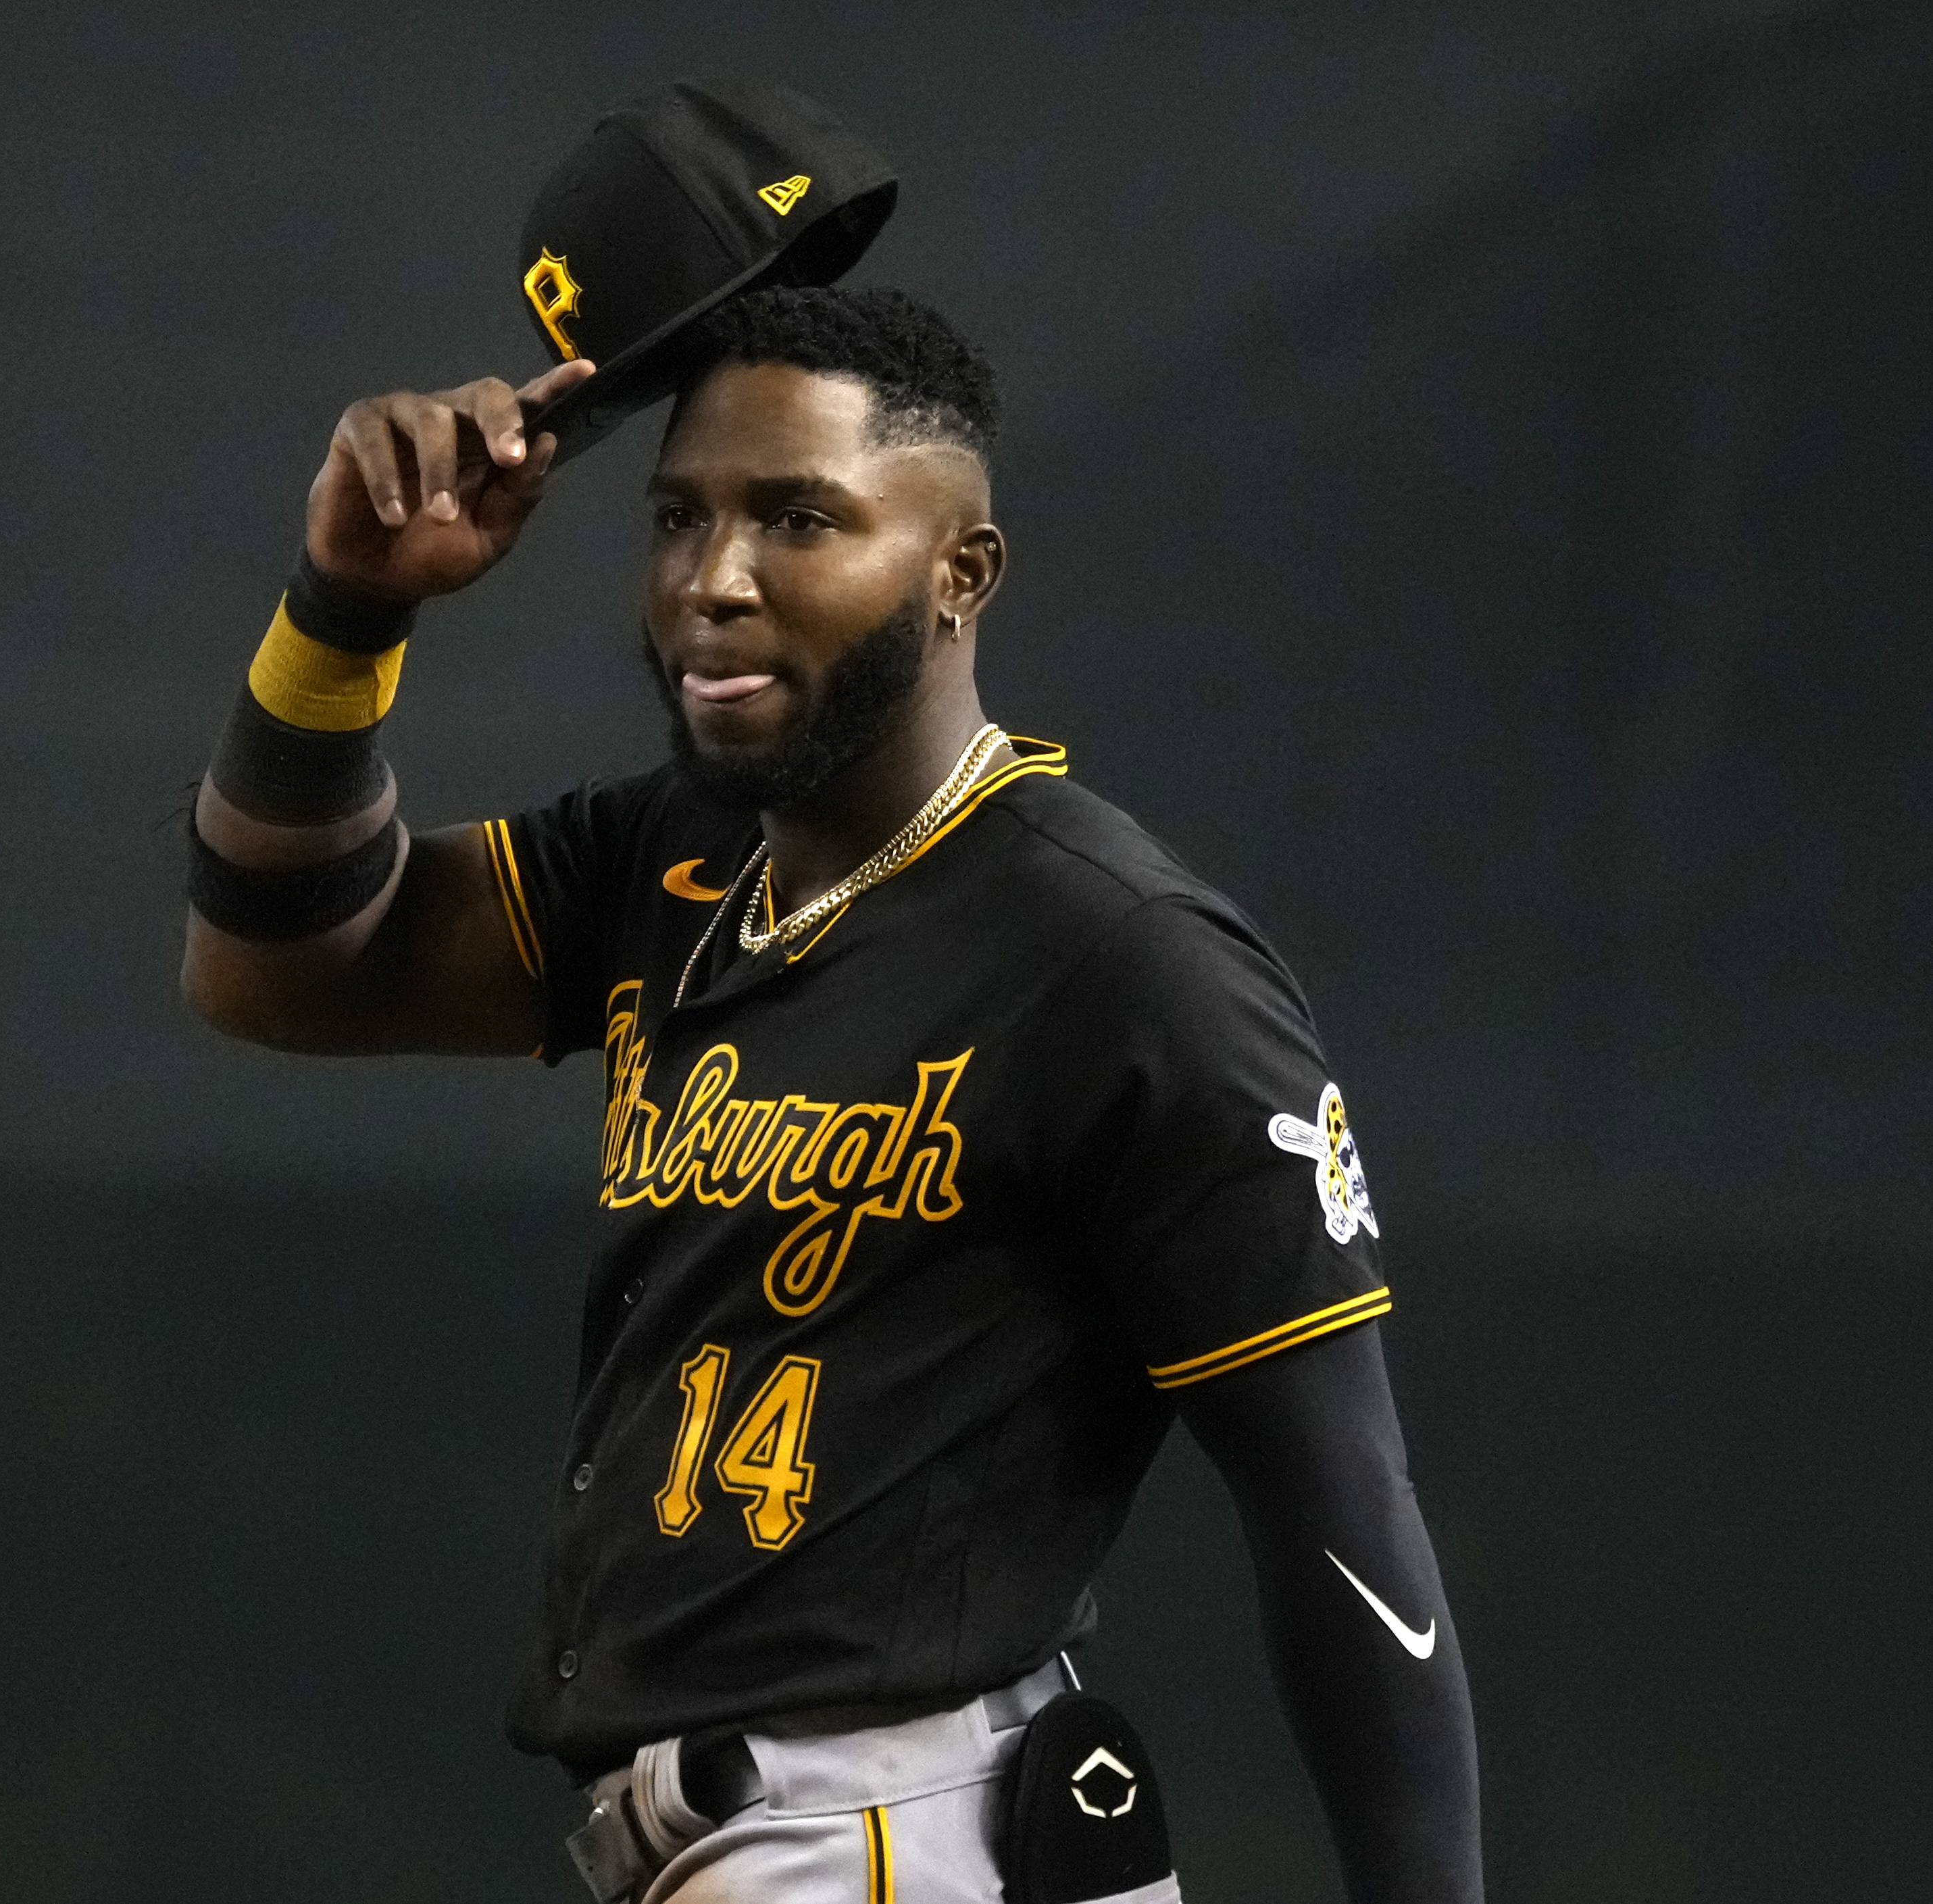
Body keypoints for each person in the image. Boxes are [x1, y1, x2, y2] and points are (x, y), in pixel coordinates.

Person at [178, 282, 1482, 1903]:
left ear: (959, 573)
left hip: (900, 1832)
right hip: (759, 1843)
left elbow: (1339, 1508)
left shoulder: (1122, 962)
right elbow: (278, 968)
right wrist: (345, 606)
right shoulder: (677, 855)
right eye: (677, 515)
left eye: (798, 517)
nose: (712, 579)